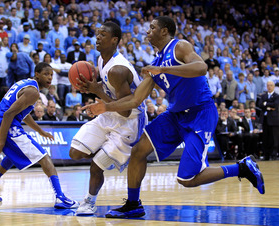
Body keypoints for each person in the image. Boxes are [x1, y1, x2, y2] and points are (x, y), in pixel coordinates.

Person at [84, 16, 265, 218]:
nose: (147, 32)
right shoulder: (155, 63)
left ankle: (241, 168)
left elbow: (201, 68)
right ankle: (133, 204)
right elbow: (135, 100)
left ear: (164, 31)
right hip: (175, 115)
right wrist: (106, 106)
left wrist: (164, 70)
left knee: (187, 179)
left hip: (200, 114)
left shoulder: (179, 46)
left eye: (152, 28)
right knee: (138, 151)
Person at [69, 22, 147, 215]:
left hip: (129, 122)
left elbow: (126, 111)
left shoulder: (118, 69)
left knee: (96, 166)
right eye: (97, 34)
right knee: (75, 152)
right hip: (110, 113)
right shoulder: (101, 59)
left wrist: (98, 92)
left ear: (115, 40)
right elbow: (107, 92)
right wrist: (93, 89)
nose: (98, 37)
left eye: (103, 34)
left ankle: (89, 202)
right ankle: (109, 157)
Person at [0, 62, 79, 209]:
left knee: (11, 157)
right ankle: (60, 197)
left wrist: (40, 131)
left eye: (51, 74)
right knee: (44, 158)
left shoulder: (25, 84)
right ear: (37, 74)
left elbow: (22, 114)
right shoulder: (33, 92)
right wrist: (1, 143)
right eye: (46, 74)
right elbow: (9, 114)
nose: (49, 77)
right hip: (4, 125)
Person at [258, 81, 279, 160]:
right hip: (265, 119)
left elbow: (275, 104)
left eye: (271, 85)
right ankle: (266, 155)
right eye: (268, 85)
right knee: (265, 138)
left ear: (273, 86)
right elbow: (260, 104)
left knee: (274, 138)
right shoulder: (263, 96)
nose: (269, 87)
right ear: (266, 87)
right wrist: (269, 107)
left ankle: (273, 154)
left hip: (274, 120)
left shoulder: (277, 96)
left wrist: (266, 104)